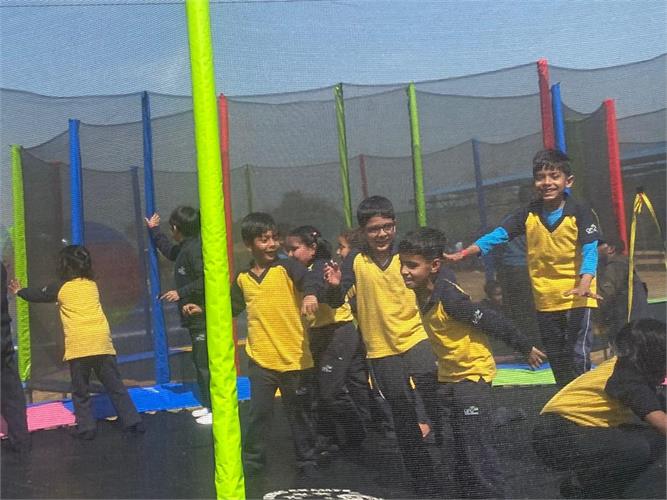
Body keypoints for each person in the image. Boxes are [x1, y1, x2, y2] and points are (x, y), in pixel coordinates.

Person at [398, 227, 545, 498]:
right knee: (452, 444)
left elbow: (491, 320)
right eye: (402, 265)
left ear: (434, 266)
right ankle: (463, 491)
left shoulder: (451, 299)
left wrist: (525, 346)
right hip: (449, 377)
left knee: (476, 446)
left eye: (412, 266)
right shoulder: (421, 293)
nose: (404, 271)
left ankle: (493, 494)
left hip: (472, 375)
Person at [447, 149, 602, 387]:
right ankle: (566, 401)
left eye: (554, 176)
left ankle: (583, 400)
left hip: (579, 297)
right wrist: (467, 251)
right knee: (558, 360)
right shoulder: (529, 213)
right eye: (540, 177)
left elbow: (591, 249)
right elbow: (499, 234)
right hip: (546, 300)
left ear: (568, 181)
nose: (547, 182)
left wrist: (585, 282)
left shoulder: (580, 211)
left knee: (578, 356)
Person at [323, 196, 442, 497]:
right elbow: (337, 300)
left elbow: (433, 281)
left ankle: (451, 459)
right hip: (381, 348)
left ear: (395, 225)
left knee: (434, 399)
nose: (382, 234)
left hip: (416, 337)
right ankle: (423, 476)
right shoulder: (356, 261)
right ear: (363, 232)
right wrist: (334, 287)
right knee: (401, 412)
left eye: (387, 226)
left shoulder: (406, 255)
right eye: (374, 229)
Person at [9, 246, 144, 440]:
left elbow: (39, 294)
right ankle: (133, 422)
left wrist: (20, 291)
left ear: (64, 267)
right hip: (101, 343)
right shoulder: (91, 285)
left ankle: (87, 428)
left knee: (80, 391)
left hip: (80, 346)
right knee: (115, 386)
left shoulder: (61, 288)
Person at [532, 319, 666, 499]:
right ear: (654, 353)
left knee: (653, 440)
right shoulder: (627, 377)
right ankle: (586, 486)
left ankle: (605, 487)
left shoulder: (628, 367)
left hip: (571, 430)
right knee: (637, 447)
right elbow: (659, 422)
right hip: (556, 436)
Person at [231, 212, 320, 478]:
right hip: (261, 358)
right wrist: (200, 309)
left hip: (294, 357)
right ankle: (253, 460)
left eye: (274, 238)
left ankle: (307, 459)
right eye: (264, 239)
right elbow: (230, 308)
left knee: (299, 414)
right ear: (249, 244)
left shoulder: (287, 268)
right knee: (258, 413)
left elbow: (310, 279)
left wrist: (310, 294)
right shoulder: (243, 278)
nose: (271, 244)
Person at [284, 225, 371, 455]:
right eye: (287, 250)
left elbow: (323, 289)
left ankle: (358, 432)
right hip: (317, 333)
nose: (290, 254)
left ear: (312, 248)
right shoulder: (297, 270)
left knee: (330, 391)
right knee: (322, 388)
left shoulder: (322, 266)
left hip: (338, 332)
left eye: (295, 248)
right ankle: (328, 435)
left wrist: (313, 294)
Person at [145, 206, 211, 425]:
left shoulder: (195, 250)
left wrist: (180, 292)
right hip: (193, 318)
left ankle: (215, 408)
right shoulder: (185, 248)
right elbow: (168, 250)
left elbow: (207, 279)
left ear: (176, 228)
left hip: (202, 316)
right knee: (199, 362)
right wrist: (154, 230)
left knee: (204, 363)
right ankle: (209, 404)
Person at [1, 261, 30, 454]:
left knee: (10, 388)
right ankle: (20, 439)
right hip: (3, 337)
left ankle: (20, 439)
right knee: (11, 389)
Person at [597, 236, 649, 338]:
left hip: (626, 321)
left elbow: (605, 295)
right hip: (634, 320)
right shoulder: (623, 263)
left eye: (597, 246)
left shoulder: (615, 266)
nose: (594, 250)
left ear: (611, 249)